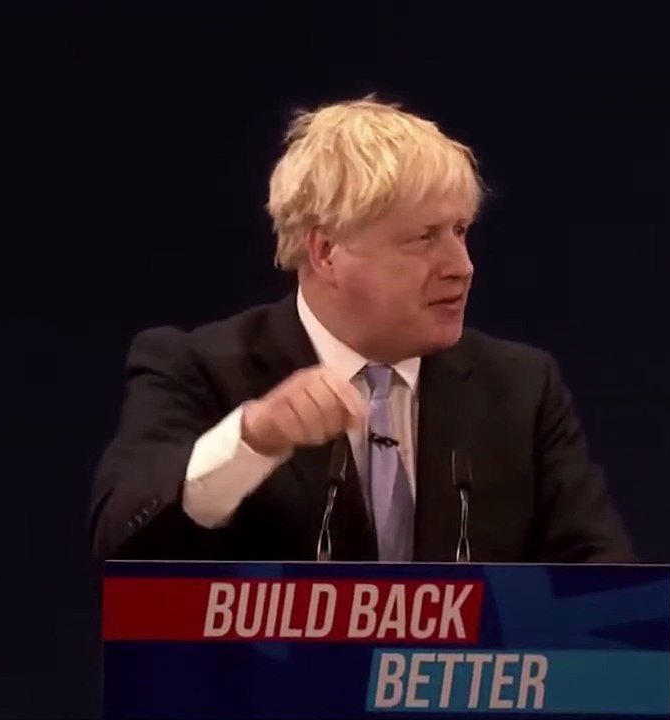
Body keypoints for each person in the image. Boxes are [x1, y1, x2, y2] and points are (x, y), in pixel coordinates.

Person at [88, 96, 635, 564]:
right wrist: (253, 441)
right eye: (424, 238)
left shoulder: (521, 388)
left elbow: (604, 597)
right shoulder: (199, 369)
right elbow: (123, 546)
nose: (461, 265)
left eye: (461, 231)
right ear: (326, 252)